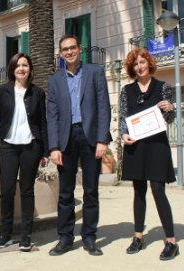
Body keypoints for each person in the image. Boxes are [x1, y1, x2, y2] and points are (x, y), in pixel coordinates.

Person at [46, 35, 112, 256]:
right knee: (65, 193)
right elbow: (52, 116)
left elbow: (104, 107)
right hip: (65, 140)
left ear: (79, 49)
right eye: (64, 49)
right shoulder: (54, 80)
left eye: (72, 48)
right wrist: (53, 146)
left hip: (90, 137)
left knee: (91, 191)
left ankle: (90, 238)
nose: (69, 52)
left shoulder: (95, 73)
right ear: (60, 53)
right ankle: (65, 238)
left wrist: (102, 140)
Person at [119, 48, 179, 260]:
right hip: (136, 146)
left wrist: (171, 108)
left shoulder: (163, 88)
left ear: (149, 63)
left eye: (142, 62)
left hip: (157, 146)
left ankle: (171, 241)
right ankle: (138, 237)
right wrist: (123, 135)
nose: (139, 67)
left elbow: (169, 120)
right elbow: (123, 118)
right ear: (132, 68)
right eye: (135, 64)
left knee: (158, 190)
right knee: (138, 191)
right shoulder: (126, 90)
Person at [0, 53, 48, 252]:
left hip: (31, 146)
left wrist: (46, 150)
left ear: (30, 69)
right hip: (8, 146)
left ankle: (25, 236)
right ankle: (5, 234)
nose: (22, 68)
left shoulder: (38, 93)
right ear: (12, 69)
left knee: (27, 190)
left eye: (25, 65)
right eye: (18, 65)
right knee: (6, 191)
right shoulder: (3, 91)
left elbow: (42, 122)